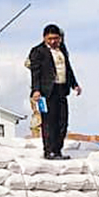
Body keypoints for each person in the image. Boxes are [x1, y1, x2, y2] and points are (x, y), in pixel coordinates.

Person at [28, 24, 81, 160]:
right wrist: (36, 90)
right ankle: (49, 151)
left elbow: (68, 68)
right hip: (46, 91)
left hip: (61, 89)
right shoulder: (38, 51)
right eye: (50, 39)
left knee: (62, 121)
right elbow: (35, 72)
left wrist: (74, 84)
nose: (53, 42)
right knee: (49, 122)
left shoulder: (62, 50)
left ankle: (58, 150)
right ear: (44, 37)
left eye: (56, 39)